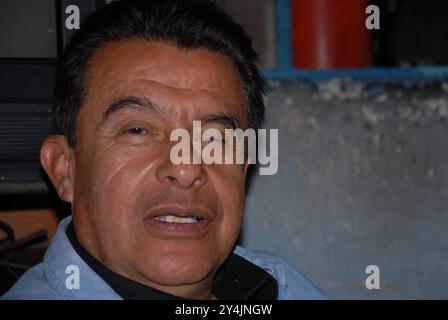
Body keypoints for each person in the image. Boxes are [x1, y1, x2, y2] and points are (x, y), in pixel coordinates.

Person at [2, 0, 326, 300]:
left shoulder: (284, 285)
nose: (186, 168)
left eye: (214, 139)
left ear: (242, 170)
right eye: (138, 130)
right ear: (64, 168)